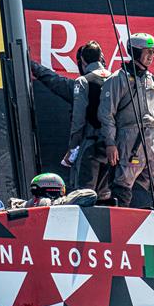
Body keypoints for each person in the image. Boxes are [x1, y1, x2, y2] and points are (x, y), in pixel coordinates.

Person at [99, 33, 154, 212]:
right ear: (134, 52)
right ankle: (120, 227)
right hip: (129, 139)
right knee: (122, 186)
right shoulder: (117, 79)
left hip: (152, 140)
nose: (151, 56)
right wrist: (110, 143)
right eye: (147, 51)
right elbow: (106, 114)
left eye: (153, 52)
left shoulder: (152, 80)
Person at [29, 42, 111, 200]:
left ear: (83, 62)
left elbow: (55, 81)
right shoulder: (119, 81)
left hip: (90, 147)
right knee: (104, 196)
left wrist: (73, 148)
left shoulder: (82, 83)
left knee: (82, 194)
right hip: (114, 149)